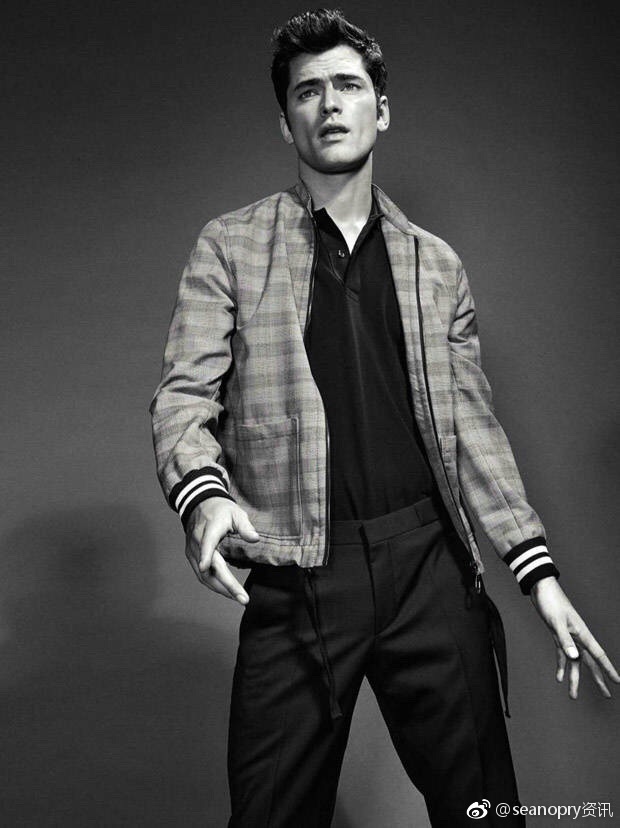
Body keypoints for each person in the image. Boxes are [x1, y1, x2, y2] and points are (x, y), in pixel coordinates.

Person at [149, 9, 619, 827]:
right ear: (285, 121)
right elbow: (184, 396)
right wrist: (204, 495)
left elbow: (473, 430)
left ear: (382, 109)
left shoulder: (436, 265)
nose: (330, 104)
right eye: (308, 92)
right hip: (297, 571)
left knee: (485, 812)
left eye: (348, 85)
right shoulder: (229, 247)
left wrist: (536, 574)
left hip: (426, 568)